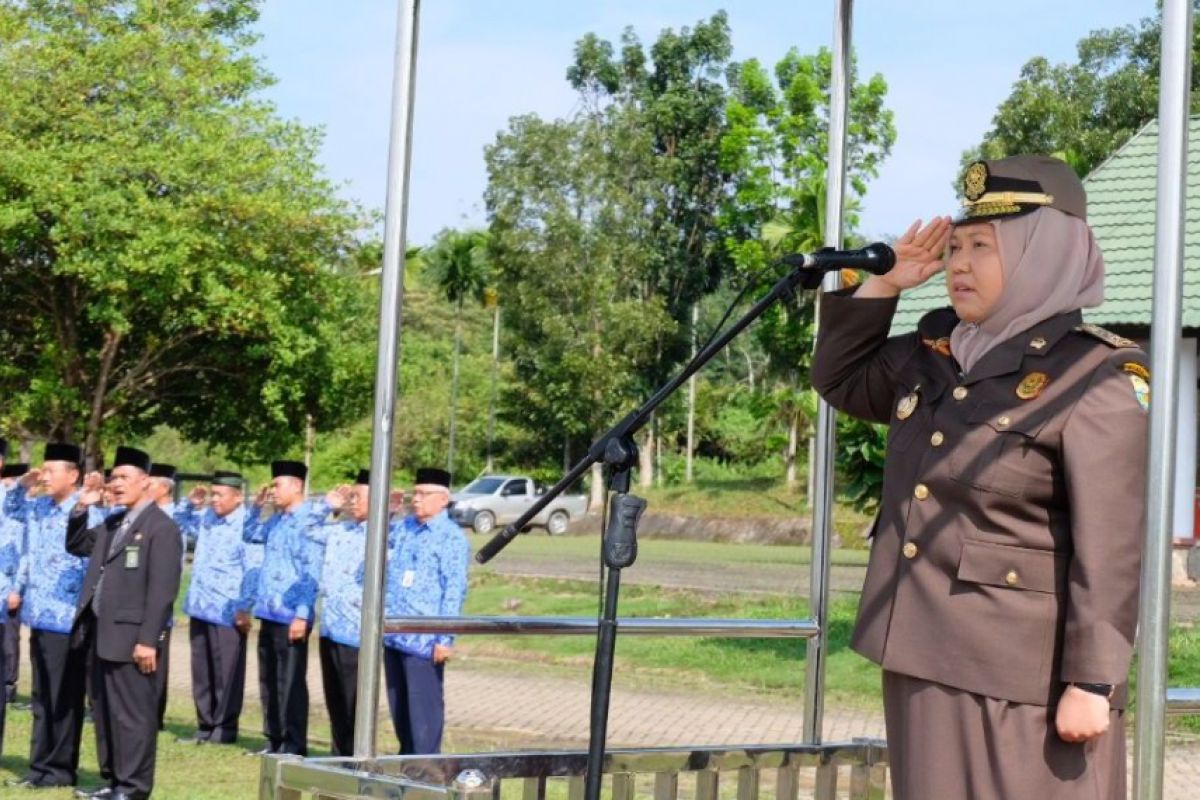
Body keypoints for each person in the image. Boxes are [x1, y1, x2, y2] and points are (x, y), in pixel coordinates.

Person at [810, 155, 1148, 800]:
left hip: (1023, 675)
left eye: (983, 248)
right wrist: (887, 286)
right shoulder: (935, 353)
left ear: (1041, 255)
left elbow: (1113, 548)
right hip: (919, 647)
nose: (958, 264)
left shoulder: (1096, 376)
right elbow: (842, 380)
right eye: (955, 246)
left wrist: (1093, 681)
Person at [68, 446, 183, 800]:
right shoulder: (113, 523)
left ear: (145, 482)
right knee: (105, 713)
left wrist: (149, 640)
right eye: (113, 477)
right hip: (101, 635)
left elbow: (163, 591)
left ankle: (133, 788)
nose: (116, 484)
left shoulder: (160, 528)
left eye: (124, 478)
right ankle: (114, 780)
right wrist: (82, 506)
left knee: (133, 718)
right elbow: (76, 544)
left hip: (134, 640)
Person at [4, 443, 102, 790]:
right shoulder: (41, 508)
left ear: (72, 475)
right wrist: (20, 483)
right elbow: (12, 509)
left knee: (64, 698)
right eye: (42, 470)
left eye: (50, 471)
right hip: (40, 615)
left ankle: (60, 770)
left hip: (67, 619)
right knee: (42, 698)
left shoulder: (88, 511)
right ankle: (39, 767)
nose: (44, 477)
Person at [243, 460, 328, 757]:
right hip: (269, 611)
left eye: (277, 485)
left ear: (296, 486)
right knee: (269, 679)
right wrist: (256, 508)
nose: (272, 491)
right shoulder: (278, 520)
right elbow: (251, 534)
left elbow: (311, 570)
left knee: (290, 681)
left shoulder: (309, 521)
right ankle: (274, 739)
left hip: (291, 613)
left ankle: (293, 744)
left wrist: (303, 613)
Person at [317, 470, 405, 756]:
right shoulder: (341, 529)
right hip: (331, 627)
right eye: (350, 496)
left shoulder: (384, 533)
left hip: (357, 633)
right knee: (336, 701)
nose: (352, 502)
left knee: (356, 704)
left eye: (357, 496)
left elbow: (400, 543)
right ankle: (338, 755)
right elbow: (303, 531)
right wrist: (328, 504)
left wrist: (388, 512)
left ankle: (356, 758)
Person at [383, 467, 469, 755]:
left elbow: (454, 589)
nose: (416, 499)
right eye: (414, 493)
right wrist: (389, 512)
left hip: (424, 639)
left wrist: (445, 638)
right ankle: (406, 764)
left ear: (443, 499)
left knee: (424, 711)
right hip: (395, 633)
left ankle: (427, 769)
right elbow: (375, 540)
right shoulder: (405, 527)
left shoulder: (451, 537)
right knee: (400, 707)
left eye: (423, 494)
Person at [176, 470, 260, 745]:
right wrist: (189, 503)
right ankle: (205, 724)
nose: (214, 500)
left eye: (220, 495)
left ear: (237, 498)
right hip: (201, 606)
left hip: (228, 609)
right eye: (212, 494)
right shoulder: (208, 519)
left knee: (227, 674)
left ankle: (224, 729)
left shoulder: (248, 523)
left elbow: (253, 569)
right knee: (202, 671)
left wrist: (244, 607)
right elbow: (178, 523)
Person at [145, 463, 187, 731]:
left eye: (149, 484)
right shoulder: (144, 514)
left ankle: (153, 716)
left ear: (163, 488)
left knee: (157, 660)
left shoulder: (176, 518)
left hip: (159, 594)